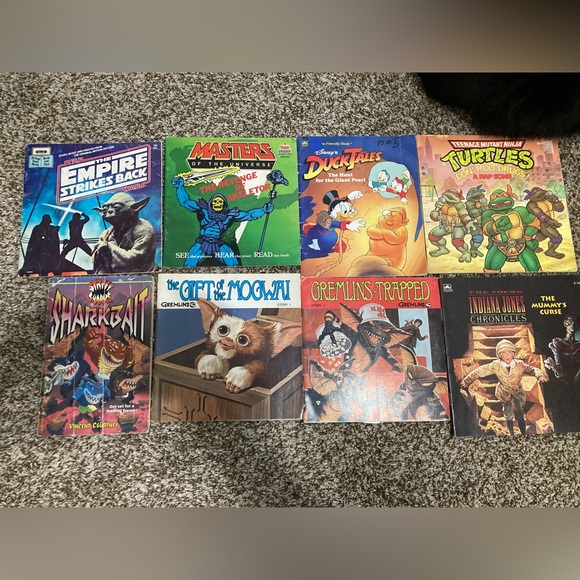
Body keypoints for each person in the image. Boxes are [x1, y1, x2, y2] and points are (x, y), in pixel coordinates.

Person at [460, 339, 548, 435]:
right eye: (503, 352)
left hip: (517, 393)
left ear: (513, 354)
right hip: (504, 393)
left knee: (519, 413)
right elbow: (480, 371)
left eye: (509, 352)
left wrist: (540, 375)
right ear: (499, 355)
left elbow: (533, 369)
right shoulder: (495, 365)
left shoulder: (520, 364)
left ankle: (523, 433)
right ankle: (511, 433)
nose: (507, 355)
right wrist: (466, 381)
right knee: (507, 413)